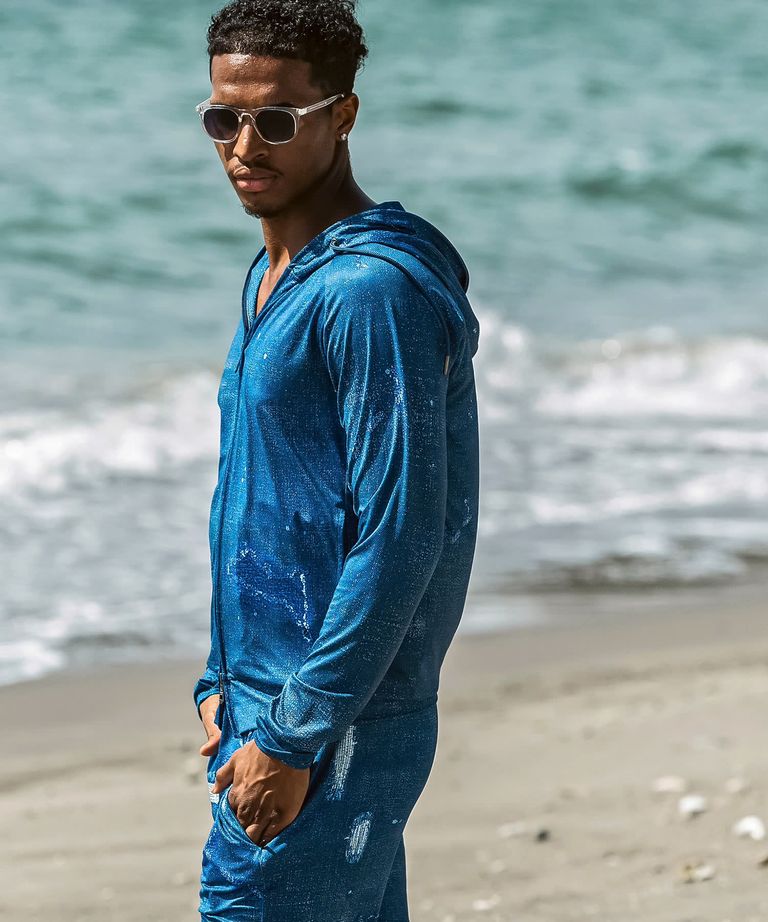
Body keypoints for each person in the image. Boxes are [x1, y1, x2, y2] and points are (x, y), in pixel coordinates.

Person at [191, 1, 480, 918]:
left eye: (276, 120)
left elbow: (402, 535)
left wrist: (293, 736)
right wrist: (219, 676)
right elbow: (269, 501)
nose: (245, 147)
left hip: (331, 722)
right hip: (276, 703)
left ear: (342, 115)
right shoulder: (276, 275)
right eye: (223, 118)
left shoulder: (368, 293)